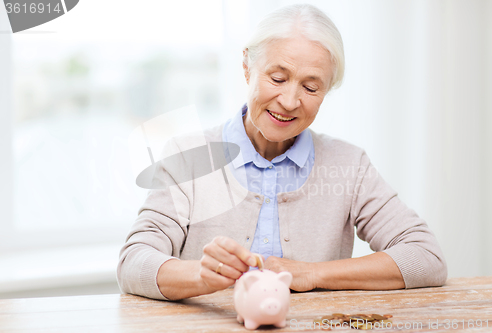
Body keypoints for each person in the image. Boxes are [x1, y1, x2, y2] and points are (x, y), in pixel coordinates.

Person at [117, 4, 447, 301]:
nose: (289, 101)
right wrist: (200, 276)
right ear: (247, 66)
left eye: (310, 87)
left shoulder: (349, 165)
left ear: (327, 90)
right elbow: (134, 262)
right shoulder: (189, 156)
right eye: (277, 78)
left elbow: (425, 258)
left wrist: (312, 273)